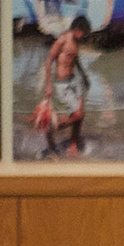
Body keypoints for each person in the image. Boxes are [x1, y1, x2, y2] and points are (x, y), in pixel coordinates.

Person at [35, 15, 89, 158]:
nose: (84, 36)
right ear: (77, 29)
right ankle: (51, 127)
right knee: (78, 115)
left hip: (74, 80)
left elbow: (75, 60)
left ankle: (73, 144)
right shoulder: (63, 39)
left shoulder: (76, 41)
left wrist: (84, 76)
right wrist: (48, 86)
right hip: (62, 83)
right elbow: (49, 61)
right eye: (83, 32)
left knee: (80, 114)